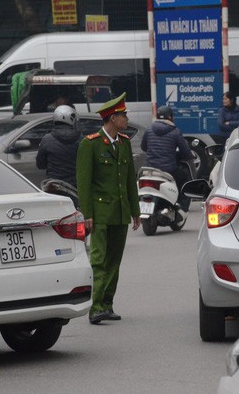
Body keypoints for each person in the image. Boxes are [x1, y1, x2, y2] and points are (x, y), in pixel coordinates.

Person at [76, 92, 140, 325]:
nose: (126, 119)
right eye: (123, 115)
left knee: (114, 260)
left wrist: (135, 211)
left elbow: (130, 181)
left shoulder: (123, 142)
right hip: (101, 214)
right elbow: (84, 183)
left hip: (120, 212)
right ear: (112, 118)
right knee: (99, 260)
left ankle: (108, 304)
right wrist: (88, 214)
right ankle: (95, 307)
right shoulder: (90, 144)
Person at [140, 105, 194, 223]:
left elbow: (143, 147)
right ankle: (182, 210)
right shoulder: (175, 132)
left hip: (149, 169)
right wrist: (186, 156)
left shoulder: (149, 130)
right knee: (186, 180)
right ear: (170, 117)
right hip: (168, 169)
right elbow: (185, 152)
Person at [36, 105, 82, 186]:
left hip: (54, 185)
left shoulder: (47, 139)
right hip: (77, 184)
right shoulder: (81, 139)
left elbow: (40, 165)